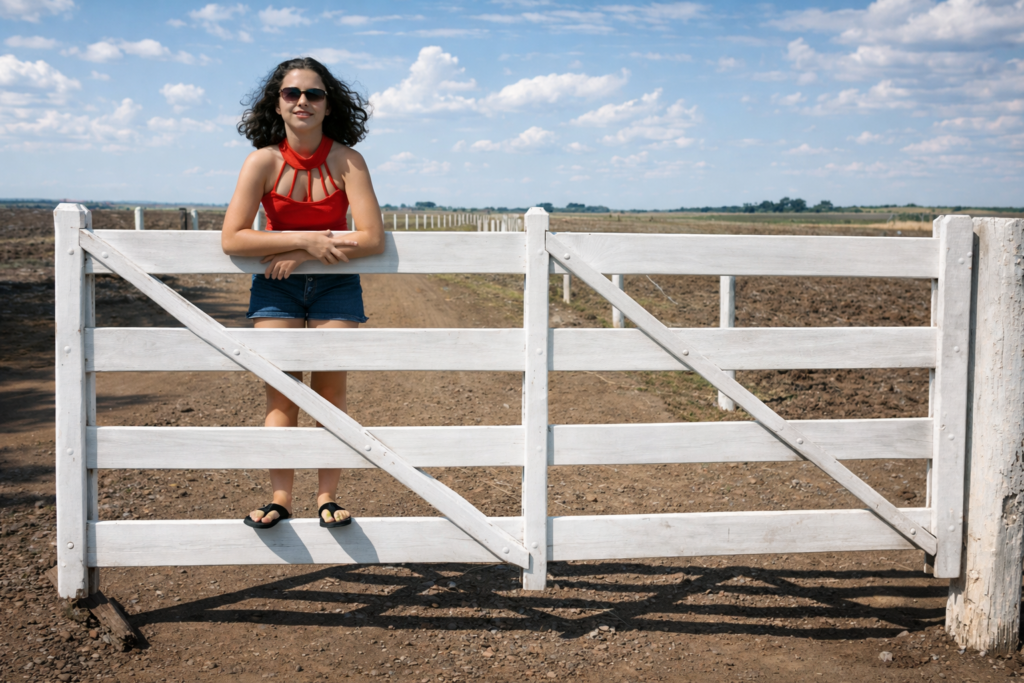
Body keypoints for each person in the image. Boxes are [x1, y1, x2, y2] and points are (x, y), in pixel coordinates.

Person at [221, 57, 385, 530]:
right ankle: (279, 498)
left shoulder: (348, 160)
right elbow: (233, 238)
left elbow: (372, 238)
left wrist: (307, 251)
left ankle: (328, 497)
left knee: (330, 395)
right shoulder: (262, 162)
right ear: (277, 103)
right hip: (277, 286)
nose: (302, 102)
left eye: (313, 94)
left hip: (336, 283)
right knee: (282, 396)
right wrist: (304, 240)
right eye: (292, 93)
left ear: (328, 104)